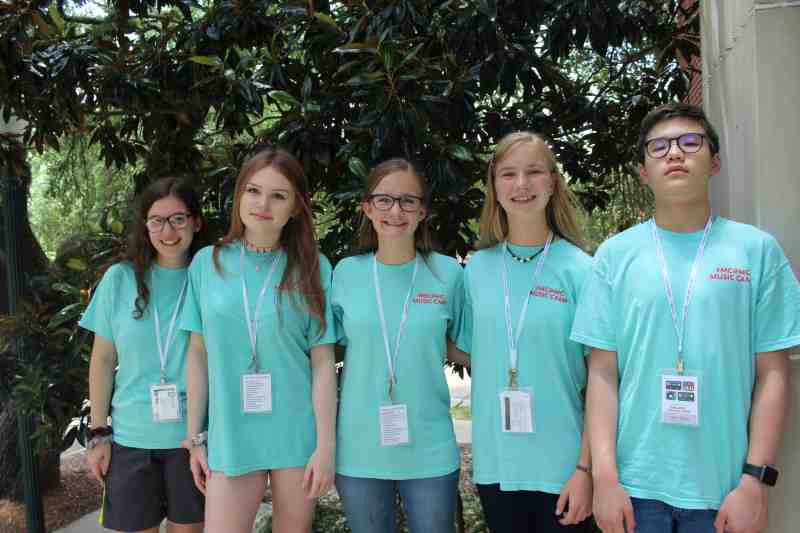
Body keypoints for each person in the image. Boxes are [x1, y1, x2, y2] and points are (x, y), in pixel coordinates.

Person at [571, 102, 800, 533]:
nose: (674, 153)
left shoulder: (757, 251)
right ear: (643, 171)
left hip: (725, 490)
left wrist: (755, 481)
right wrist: (604, 479)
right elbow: (602, 373)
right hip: (634, 491)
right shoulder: (614, 257)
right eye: (658, 147)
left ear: (714, 162)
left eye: (690, 142)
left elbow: (773, 372)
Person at [181, 147, 337, 533]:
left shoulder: (315, 267)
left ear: (296, 207)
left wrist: (326, 446)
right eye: (253, 191)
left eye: (278, 195)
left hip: (296, 434)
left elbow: (322, 362)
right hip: (232, 433)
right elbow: (197, 355)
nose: (263, 204)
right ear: (239, 196)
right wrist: (195, 438)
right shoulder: (207, 263)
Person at [456, 131, 594, 532]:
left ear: (552, 182)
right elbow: (467, 347)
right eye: (508, 174)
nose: (521, 184)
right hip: (498, 466)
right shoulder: (476, 270)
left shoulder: (582, 270)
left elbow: (603, 380)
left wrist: (587, 469)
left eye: (534, 172)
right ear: (494, 187)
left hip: (565, 468)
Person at [331, 159, 464, 533]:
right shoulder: (345, 274)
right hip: (359, 449)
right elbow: (324, 354)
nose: (396, 211)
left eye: (408, 201)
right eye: (385, 200)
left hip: (430, 447)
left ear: (422, 211)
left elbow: (462, 347)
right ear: (367, 208)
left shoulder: (448, 273)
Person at [81, 177, 206, 533]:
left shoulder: (211, 277)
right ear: (145, 226)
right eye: (157, 220)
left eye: (178, 219)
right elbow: (103, 359)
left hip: (193, 440)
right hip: (130, 440)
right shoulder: (120, 280)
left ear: (196, 222)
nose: (168, 231)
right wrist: (98, 433)